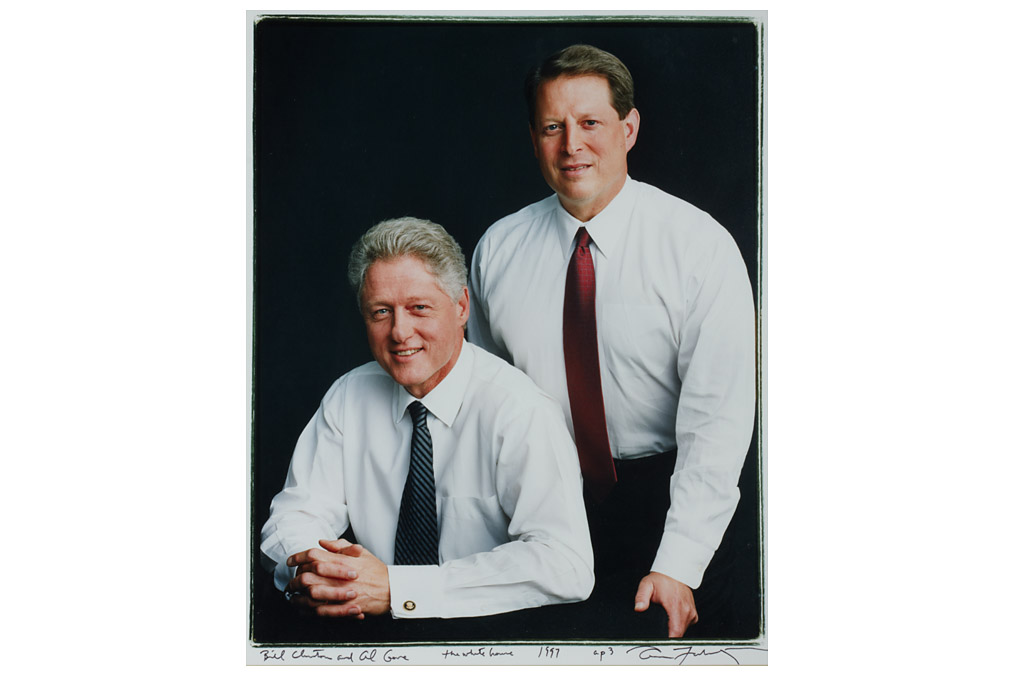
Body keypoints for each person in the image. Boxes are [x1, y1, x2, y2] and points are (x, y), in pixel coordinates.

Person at [468, 44, 757, 639]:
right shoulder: (498, 250)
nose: (572, 145)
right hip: (545, 506)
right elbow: (485, 405)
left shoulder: (698, 246)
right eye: (553, 126)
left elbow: (717, 426)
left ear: (629, 129)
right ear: (534, 137)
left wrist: (678, 564)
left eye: (590, 123)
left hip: (674, 505)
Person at [261, 217, 594, 628]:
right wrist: (322, 575)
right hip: (365, 625)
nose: (400, 332)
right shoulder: (349, 396)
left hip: (491, 636)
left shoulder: (519, 409)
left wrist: (401, 589)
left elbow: (566, 563)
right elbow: (293, 516)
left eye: (419, 308)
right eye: (381, 312)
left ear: (461, 307)